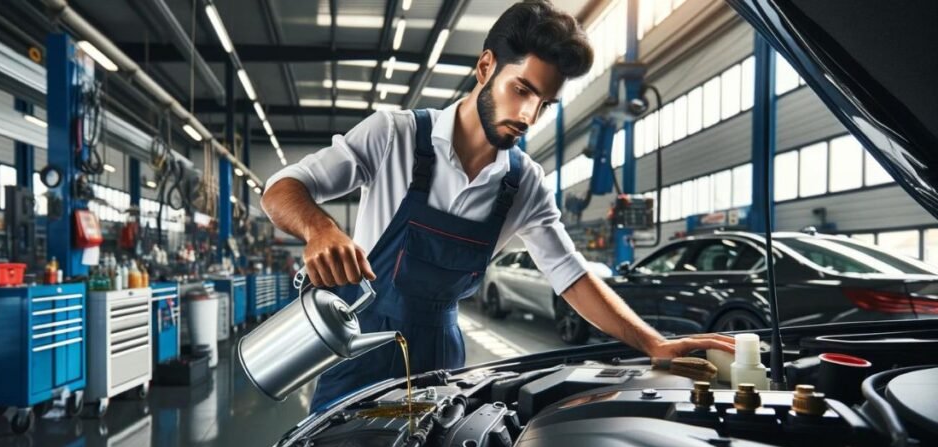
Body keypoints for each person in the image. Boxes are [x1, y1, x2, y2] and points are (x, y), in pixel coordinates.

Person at [261, 0, 735, 411]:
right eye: (523, 90)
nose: (529, 115)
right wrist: (319, 228)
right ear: (486, 67)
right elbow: (282, 189)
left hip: (440, 359)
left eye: (545, 103)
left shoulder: (523, 183)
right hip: (358, 347)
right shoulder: (394, 136)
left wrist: (652, 341)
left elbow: (570, 274)